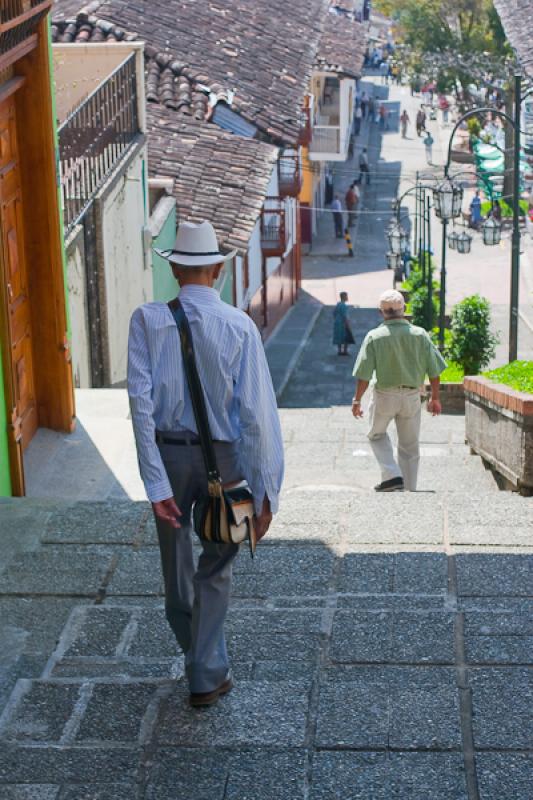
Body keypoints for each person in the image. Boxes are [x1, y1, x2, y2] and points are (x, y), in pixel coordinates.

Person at [128, 220, 284, 707]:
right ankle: (205, 669)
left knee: (175, 569)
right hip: (226, 460)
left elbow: (140, 404)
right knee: (216, 566)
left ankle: (199, 658)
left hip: (170, 458)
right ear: (218, 268)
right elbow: (257, 417)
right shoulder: (239, 325)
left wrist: (155, 484)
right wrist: (265, 492)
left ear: (175, 268)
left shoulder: (146, 320)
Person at [351, 290, 446, 492]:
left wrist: (357, 400)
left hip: (384, 395)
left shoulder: (374, 337)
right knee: (410, 445)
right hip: (412, 395)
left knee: (376, 434)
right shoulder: (420, 335)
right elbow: (435, 370)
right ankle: (409, 488)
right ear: (404, 309)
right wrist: (435, 398)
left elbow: (364, 375)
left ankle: (392, 475)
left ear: (381, 312)